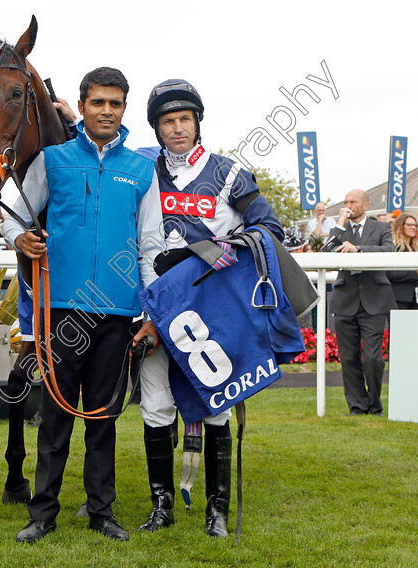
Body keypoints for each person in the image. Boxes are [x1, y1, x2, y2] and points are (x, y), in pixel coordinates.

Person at [2, 67, 164, 544]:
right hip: (62, 309)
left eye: (115, 104)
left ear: (124, 110)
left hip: (117, 312)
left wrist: (152, 311)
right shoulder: (51, 160)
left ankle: (101, 511)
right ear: (83, 106)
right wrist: (22, 237)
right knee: (55, 416)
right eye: (98, 103)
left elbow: (151, 243)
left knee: (102, 417)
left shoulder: (140, 169)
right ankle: (43, 514)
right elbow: (14, 217)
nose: (107, 111)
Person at [134, 78, 284, 538]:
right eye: (167, 121)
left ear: (198, 122)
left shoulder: (229, 172)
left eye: (184, 119)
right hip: (155, 310)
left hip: (210, 312)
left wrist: (208, 247)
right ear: (156, 128)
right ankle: (162, 506)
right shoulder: (142, 171)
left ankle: (216, 511)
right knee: (156, 404)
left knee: (217, 402)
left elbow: (269, 229)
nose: (177, 128)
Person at [329, 189, 396, 416]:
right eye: (346, 201)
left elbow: (389, 249)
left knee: (373, 359)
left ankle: (374, 404)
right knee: (348, 358)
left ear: (366, 205)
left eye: (353, 202)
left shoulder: (381, 227)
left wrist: (358, 249)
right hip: (345, 300)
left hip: (374, 301)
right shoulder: (340, 228)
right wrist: (339, 221)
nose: (349, 206)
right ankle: (357, 407)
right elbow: (326, 249)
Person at [386, 214, 418, 310]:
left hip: (415, 297)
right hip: (398, 297)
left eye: (415, 225)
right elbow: (390, 273)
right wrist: (415, 273)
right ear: (400, 226)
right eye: (409, 225)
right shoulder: (395, 247)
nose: (413, 228)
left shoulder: (415, 247)